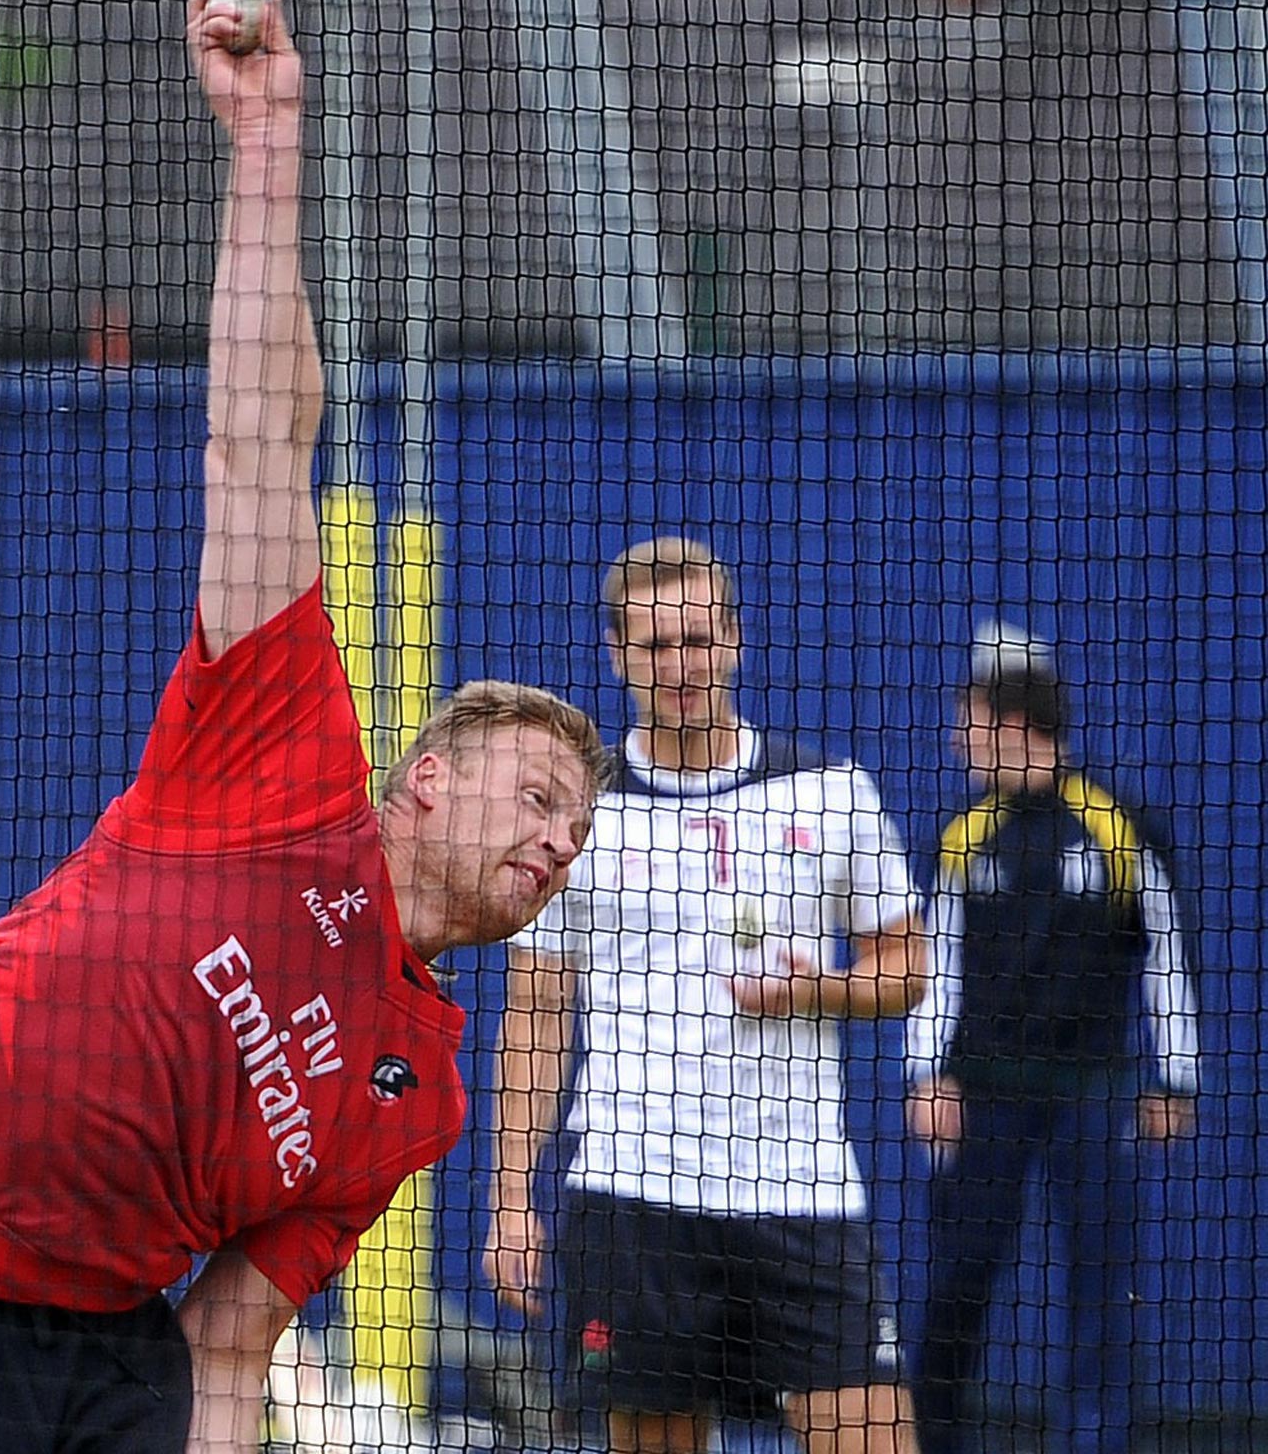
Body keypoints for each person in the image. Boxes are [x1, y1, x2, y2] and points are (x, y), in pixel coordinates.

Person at [0, 0, 604, 1454]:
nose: (556, 837)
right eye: (533, 794)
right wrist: (269, 137)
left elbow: (233, 1333)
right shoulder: (281, 758)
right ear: (421, 781)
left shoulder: (424, 1094)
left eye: (576, 825)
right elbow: (264, 433)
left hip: (108, 1351)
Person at [485, 536, 927, 1454]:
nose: (680, 668)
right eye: (654, 648)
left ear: (733, 640)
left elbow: (908, 968)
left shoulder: (832, 793)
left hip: (804, 1199)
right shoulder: (580, 814)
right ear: (616, 655)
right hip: (630, 1201)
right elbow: (536, 1013)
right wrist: (508, 1203)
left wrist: (826, 993)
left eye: (697, 641)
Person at [907, 623, 1200, 1454]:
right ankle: (935, 1439)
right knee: (958, 1281)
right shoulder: (965, 834)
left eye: (965, 718)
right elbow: (940, 967)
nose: (955, 736)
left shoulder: (1115, 827)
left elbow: (1167, 954)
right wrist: (929, 1076)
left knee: (1102, 1293)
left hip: (1095, 1094)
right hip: (986, 1094)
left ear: (1009, 720)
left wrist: (1174, 1079)